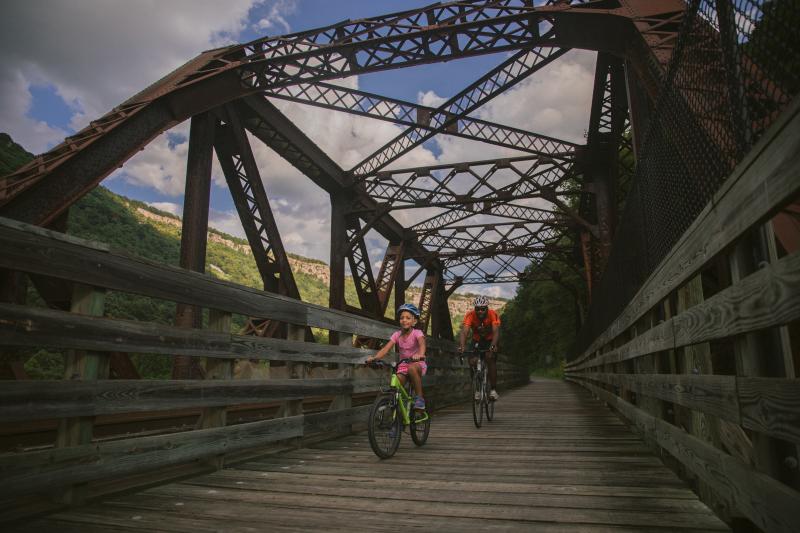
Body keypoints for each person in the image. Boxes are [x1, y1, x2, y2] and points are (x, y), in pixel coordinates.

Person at [366, 303, 427, 410]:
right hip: (403, 365)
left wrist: (420, 355)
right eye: (402, 318)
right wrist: (375, 358)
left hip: (417, 364)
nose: (404, 320)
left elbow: (422, 344)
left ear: (414, 321)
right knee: (396, 381)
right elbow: (386, 349)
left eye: (408, 318)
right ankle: (398, 409)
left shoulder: (417, 333)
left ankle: (419, 398)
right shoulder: (397, 334)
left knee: (412, 368)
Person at [459, 295, 501, 401]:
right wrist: (462, 346)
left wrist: (493, 345)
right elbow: (464, 332)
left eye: (483, 309)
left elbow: (496, 331)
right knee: (472, 361)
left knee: (489, 358)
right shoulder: (470, 315)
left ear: (487, 308)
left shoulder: (493, 314)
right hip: (477, 340)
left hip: (490, 340)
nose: (480, 311)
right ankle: (477, 389)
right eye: (477, 309)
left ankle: (493, 390)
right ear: (475, 309)